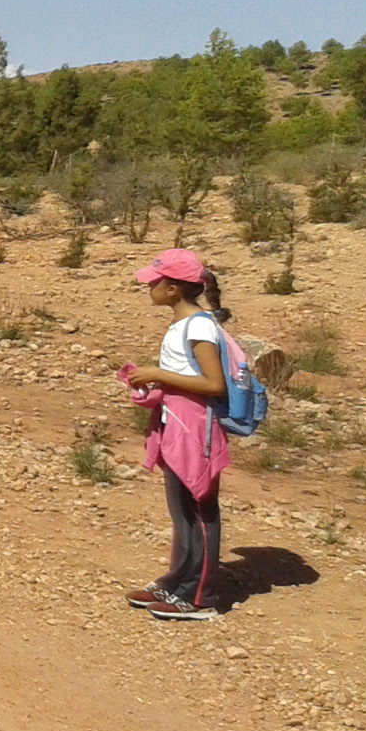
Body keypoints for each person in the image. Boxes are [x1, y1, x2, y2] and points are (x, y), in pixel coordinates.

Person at [123, 249, 231, 621]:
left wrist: (159, 374)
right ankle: (178, 580)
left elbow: (214, 384)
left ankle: (200, 597)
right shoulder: (182, 324)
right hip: (177, 425)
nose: (149, 287)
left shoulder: (199, 326)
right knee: (182, 510)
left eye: (154, 282)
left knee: (200, 510)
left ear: (173, 289)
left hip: (195, 430)